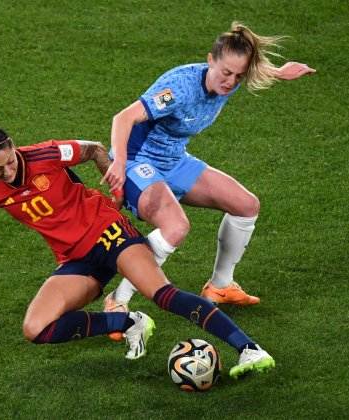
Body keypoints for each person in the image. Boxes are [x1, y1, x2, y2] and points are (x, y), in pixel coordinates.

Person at [0, 116, 275, 378]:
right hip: (74, 259)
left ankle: (249, 349)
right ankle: (129, 322)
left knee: (162, 293)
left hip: (108, 233)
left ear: (12, 146)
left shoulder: (47, 155)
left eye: (8, 162)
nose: (6, 173)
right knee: (36, 328)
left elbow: (96, 149)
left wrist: (117, 195)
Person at [101, 21, 315, 317]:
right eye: (226, 72)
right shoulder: (178, 88)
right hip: (139, 161)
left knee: (246, 205)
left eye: (239, 76)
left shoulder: (229, 79)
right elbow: (122, 118)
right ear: (210, 60)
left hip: (174, 160)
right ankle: (117, 299)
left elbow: (243, 70)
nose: (230, 82)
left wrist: (280, 72)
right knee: (175, 228)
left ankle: (220, 285)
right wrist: (121, 164)